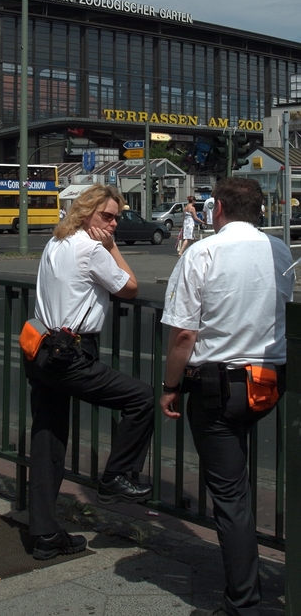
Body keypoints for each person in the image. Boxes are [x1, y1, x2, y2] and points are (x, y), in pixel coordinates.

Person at [159, 178, 294, 616]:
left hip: (217, 385)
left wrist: (170, 387)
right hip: (268, 380)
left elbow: (183, 334)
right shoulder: (278, 251)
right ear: (259, 210)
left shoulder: (203, 252)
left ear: (217, 208)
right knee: (241, 475)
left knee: (230, 494)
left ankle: (243, 601)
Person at [23, 184, 154, 561]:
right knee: (141, 397)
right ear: (86, 214)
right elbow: (130, 287)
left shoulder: (56, 243)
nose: (113, 224)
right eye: (106, 216)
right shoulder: (93, 249)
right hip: (72, 353)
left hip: (42, 348)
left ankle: (46, 535)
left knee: (48, 438)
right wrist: (112, 248)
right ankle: (116, 477)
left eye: (116, 217)